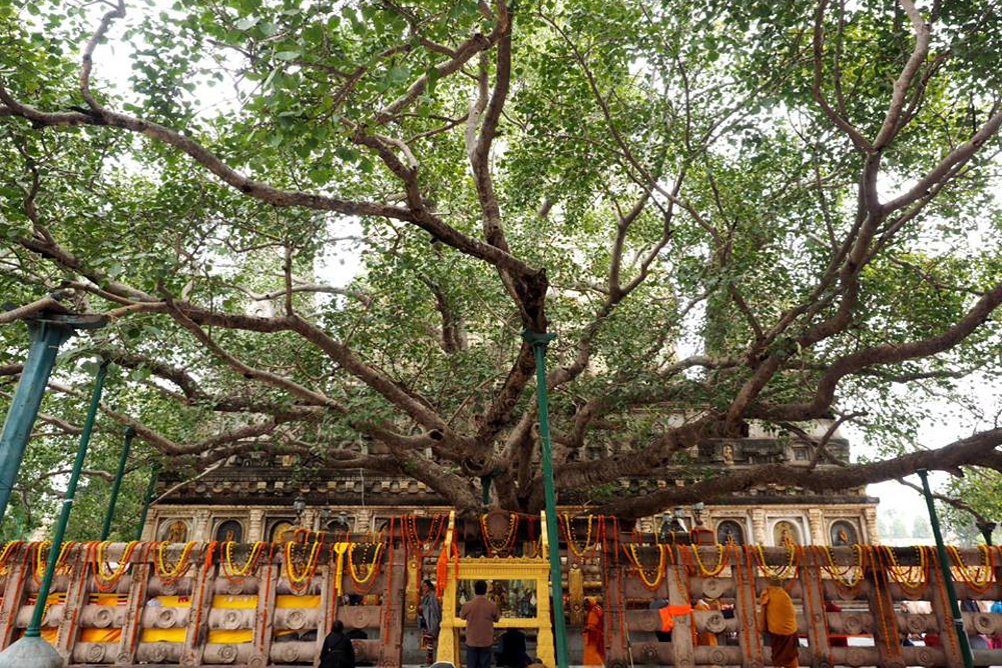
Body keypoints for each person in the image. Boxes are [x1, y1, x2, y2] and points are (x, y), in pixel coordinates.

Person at [759, 577, 799, 668]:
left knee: (777, 653)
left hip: (775, 630)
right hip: (789, 630)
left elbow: (765, 610)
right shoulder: (784, 596)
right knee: (791, 653)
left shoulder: (767, 594)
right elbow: (791, 612)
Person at [460, 579, 500, 668]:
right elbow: (497, 619)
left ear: (474, 590)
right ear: (486, 590)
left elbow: (462, 616)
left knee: (471, 665)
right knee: (485, 665)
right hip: (486, 640)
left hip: (471, 640)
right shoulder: (492, 605)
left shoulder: (467, 605)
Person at [419, 579, 442, 666]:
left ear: (429, 586)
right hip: (426, 621)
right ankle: (428, 661)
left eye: (425, 586)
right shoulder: (426, 596)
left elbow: (435, 610)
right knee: (428, 642)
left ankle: (429, 662)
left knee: (430, 642)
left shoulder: (433, 596)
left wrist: (424, 608)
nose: (423, 588)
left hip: (431, 621)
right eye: (423, 586)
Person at [583, 597, 605, 665]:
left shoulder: (594, 610)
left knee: (592, 651)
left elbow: (592, 623)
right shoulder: (598, 608)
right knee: (596, 650)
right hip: (596, 633)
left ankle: (595, 664)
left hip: (593, 635)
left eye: (587, 603)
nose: (586, 605)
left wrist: (587, 628)